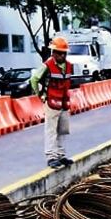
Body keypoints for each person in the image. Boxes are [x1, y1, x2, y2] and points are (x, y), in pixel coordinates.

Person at [29, 36, 76, 170]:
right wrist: (40, 95)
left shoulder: (68, 66)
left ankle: (61, 155)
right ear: (53, 53)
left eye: (64, 53)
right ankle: (51, 157)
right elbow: (34, 79)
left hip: (64, 103)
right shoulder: (47, 65)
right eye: (59, 53)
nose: (62, 55)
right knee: (51, 130)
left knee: (63, 130)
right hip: (51, 103)